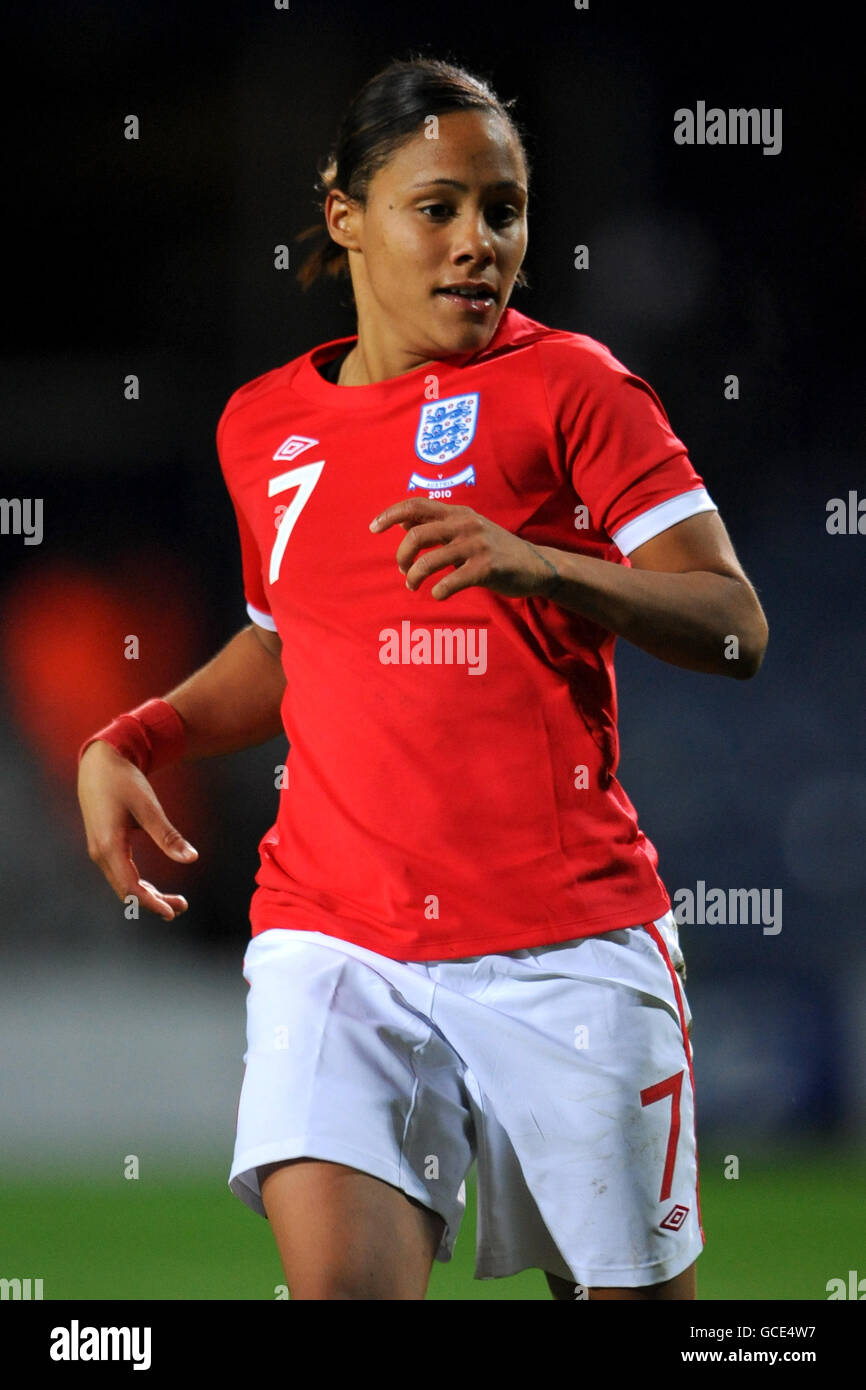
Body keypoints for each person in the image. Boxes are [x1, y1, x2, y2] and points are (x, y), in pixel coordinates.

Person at [77, 55, 769, 1301]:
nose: (476, 244)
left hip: (566, 941)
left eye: (500, 211)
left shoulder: (574, 387)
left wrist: (545, 569)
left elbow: (734, 625)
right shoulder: (261, 426)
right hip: (336, 937)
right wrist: (137, 735)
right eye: (436, 207)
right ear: (345, 215)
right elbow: (291, 642)